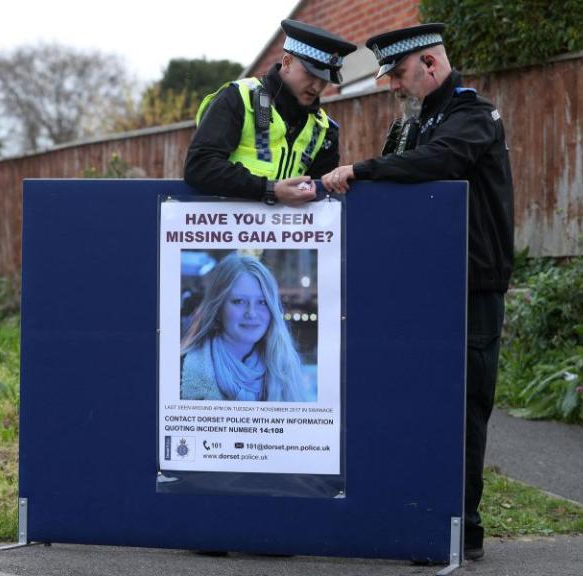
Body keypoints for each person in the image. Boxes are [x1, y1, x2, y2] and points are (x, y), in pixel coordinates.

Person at [320, 23, 514, 561]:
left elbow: (441, 162)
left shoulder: (474, 117)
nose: (393, 87)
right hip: (417, 292)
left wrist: (360, 168)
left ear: (430, 64)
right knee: (412, 404)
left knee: (463, 412)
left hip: (469, 291)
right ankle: (417, 521)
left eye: (399, 74)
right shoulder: (409, 127)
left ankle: (463, 531)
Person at [184, 20, 356, 207]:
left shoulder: (324, 129)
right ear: (287, 61)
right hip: (228, 229)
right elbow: (200, 166)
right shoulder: (239, 97)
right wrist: (270, 189)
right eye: (311, 74)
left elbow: (322, 197)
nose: (317, 86)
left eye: (324, 80)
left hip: (287, 234)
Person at [180, 253, 314, 402]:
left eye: (262, 302)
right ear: (218, 308)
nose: (251, 313)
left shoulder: (286, 370)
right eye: (239, 301)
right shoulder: (180, 372)